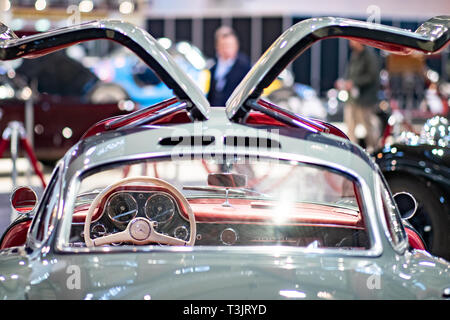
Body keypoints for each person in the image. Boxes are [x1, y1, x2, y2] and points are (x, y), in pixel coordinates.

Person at [337, 40, 380, 151]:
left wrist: (354, 82)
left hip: (365, 99)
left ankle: (374, 149)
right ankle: (351, 149)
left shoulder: (370, 57)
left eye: (353, 41)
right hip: (352, 98)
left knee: (368, 126)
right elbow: (349, 73)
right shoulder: (354, 55)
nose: (350, 43)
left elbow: (371, 77)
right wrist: (344, 82)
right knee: (350, 124)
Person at [207, 26, 251, 106]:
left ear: (236, 46)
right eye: (224, 46)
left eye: (230, 46)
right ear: (217, 47)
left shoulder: (244, 67)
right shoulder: (213, 66)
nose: (227, 49)